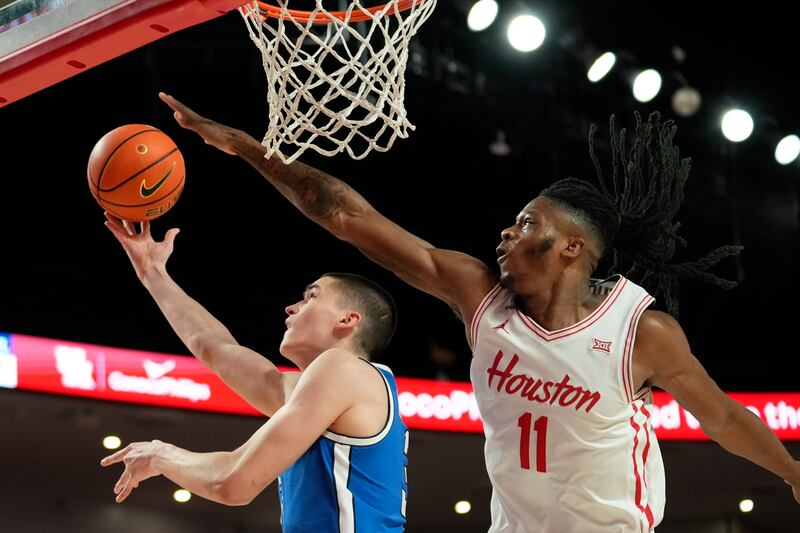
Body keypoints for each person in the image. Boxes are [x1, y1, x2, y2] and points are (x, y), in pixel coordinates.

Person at [158, 92, 800, 532]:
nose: (506, 233)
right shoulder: (478, 295)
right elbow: (347, 217)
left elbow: (721, 417)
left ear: (573, 248)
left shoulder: (641, 332)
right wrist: (247, 148)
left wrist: (793, 473)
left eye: (527, 224)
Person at [99, 214, 409, 533]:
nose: (292, 308)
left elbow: (233, 483)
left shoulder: (342, 368)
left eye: (311, 296)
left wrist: (160, 455)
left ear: (347, 320)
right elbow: (214, 348)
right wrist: (153, 273)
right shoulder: (326, 388)